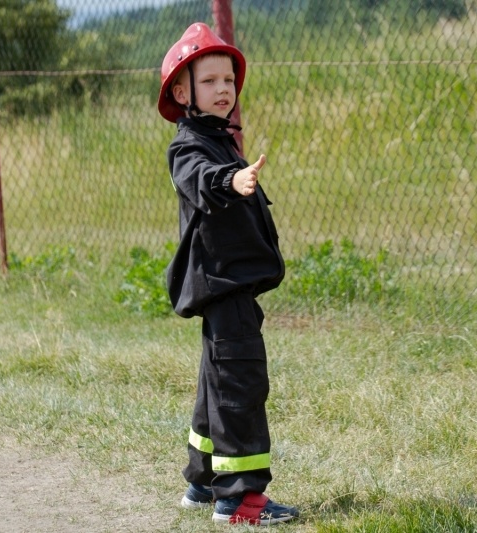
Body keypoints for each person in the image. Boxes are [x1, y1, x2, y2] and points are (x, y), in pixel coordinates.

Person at [157, 22, 299, 526]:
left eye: (228, 80)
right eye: (210, 81)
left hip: (228, 288)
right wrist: (231, 178)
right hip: (224, 287)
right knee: (240, 388)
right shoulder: (191, 148)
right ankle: (241, 501)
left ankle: (200, 483)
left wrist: (234, 168)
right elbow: (199, 179)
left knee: (215, 387)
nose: (223, 89)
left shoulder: (218, 139)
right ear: (182, 91)